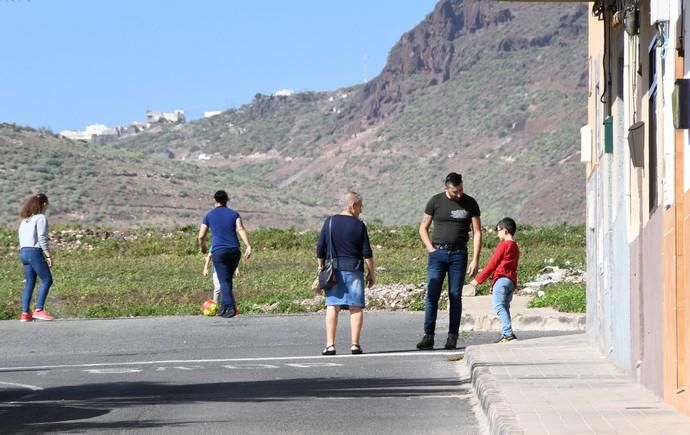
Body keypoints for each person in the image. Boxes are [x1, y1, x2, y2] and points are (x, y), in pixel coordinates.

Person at [417, 172, 481, 350]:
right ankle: (428, 335)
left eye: (460, 190)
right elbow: (423, 227)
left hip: (459, 254)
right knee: (432, 294)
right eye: (455, 192)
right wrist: (430, 248)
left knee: (455, 295)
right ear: (446, 189)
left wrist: (475, 259)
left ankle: (452, 336)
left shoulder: (470, 203)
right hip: (437, 253)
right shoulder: (435, 201)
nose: (458, 194)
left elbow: (477, 232)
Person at [316, 192, 375, 356]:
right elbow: (367, 252)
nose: (361, 210)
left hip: (333, 270)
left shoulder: (329, 222)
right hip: (354, 269)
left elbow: (320, 249)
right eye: (360, 206)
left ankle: (330, 345)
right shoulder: (359, 225)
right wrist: (371, 273)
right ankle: (355, 345)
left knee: (332, 306)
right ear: (353, 205)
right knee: (355, 307)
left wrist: (321, 269)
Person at [198, 190, 252, 318]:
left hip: (219, 251)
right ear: (227, 200)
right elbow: (240, 228)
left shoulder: (209, 215)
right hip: (234, 250)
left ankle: (229, 310)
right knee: (227, 280)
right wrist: (248, 245)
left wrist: (203, 247)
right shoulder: (234, 214)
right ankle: (225, 308)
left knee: (224, 281)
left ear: (215, 200)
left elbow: (201, 235)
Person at [470, 217, 520, 343]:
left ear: (505, 231)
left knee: (499, 306)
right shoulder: (515, 247)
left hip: (501, 279)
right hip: (511, 281)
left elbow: (492, 265)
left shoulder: (503, 245)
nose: (498, 234)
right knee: (505, 306)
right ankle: (505, 334)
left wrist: (478, 280)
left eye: (498, 231)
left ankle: (508, 334)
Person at [18, 193, 55, 322]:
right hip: (34, 252)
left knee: (30, 282)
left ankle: (25, 313)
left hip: (23, 252)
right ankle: (39, 310)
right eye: (47, 204)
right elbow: (42, 237)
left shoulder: (25, 220)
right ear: (44, 204)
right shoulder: (41, 218)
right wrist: (48, 254)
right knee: (47, 280)